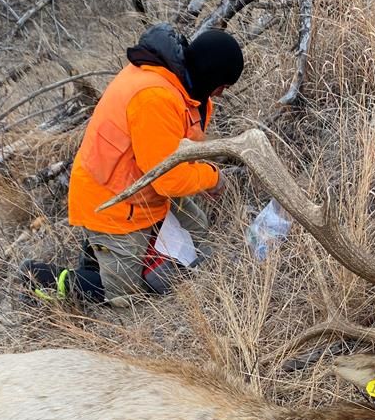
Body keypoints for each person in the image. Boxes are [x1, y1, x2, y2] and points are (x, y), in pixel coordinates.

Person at [22, 23, 244, 304]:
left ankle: (101, 255)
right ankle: (44, 277)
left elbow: (178, 153)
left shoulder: (187, 89)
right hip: (111, 201)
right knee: (125, 295)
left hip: (140, 186)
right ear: (212, 75)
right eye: (222, 86)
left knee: (196, 232)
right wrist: (213, 177)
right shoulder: (155, 96)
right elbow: (169, 179)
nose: (220, 94)